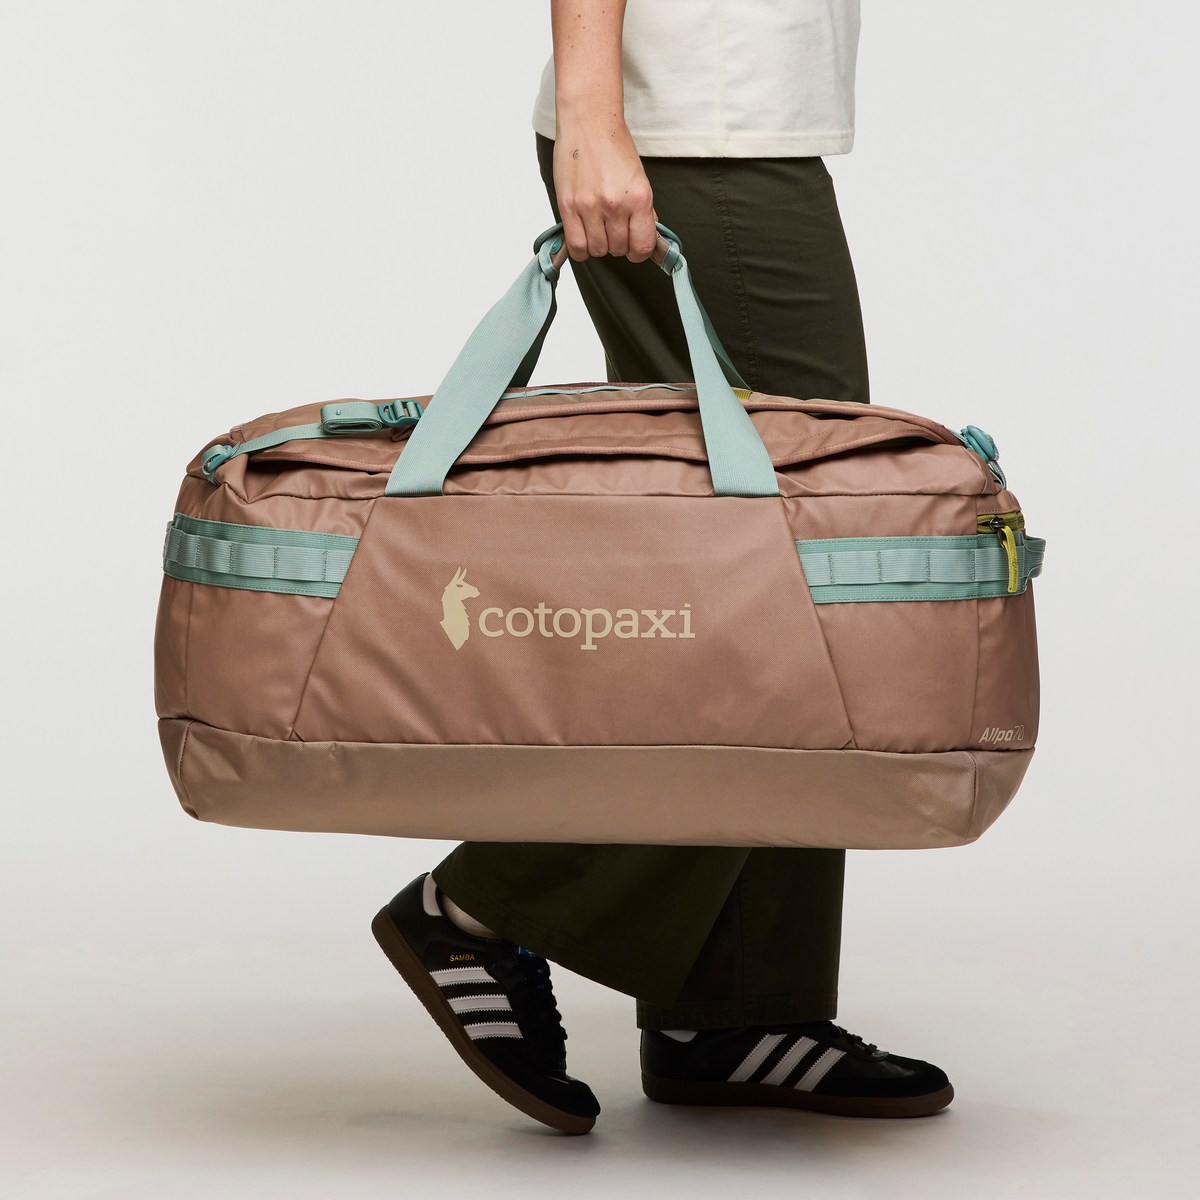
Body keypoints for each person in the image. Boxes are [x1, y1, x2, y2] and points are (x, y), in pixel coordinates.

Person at [371, 0, 952, 1135]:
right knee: (798, 564)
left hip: (726, 120)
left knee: (753, 565)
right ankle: (484, 908)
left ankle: (730, 1011)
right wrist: (593, 112)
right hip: (695, 129)